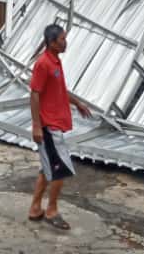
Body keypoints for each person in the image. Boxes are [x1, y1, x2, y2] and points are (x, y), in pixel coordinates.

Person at [28, 24, 91, 231]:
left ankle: (35, 208)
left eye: (65, 38)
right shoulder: (43, 64)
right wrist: (37, 126)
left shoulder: (55, 62)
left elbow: (60, 89)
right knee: (61, 169)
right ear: (52, 42)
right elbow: (34, 94)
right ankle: (51, 210)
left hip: (54, 124)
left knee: (47, 168)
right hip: (48, 127)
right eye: (62, 39)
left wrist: (77, 103)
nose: (65, 43)